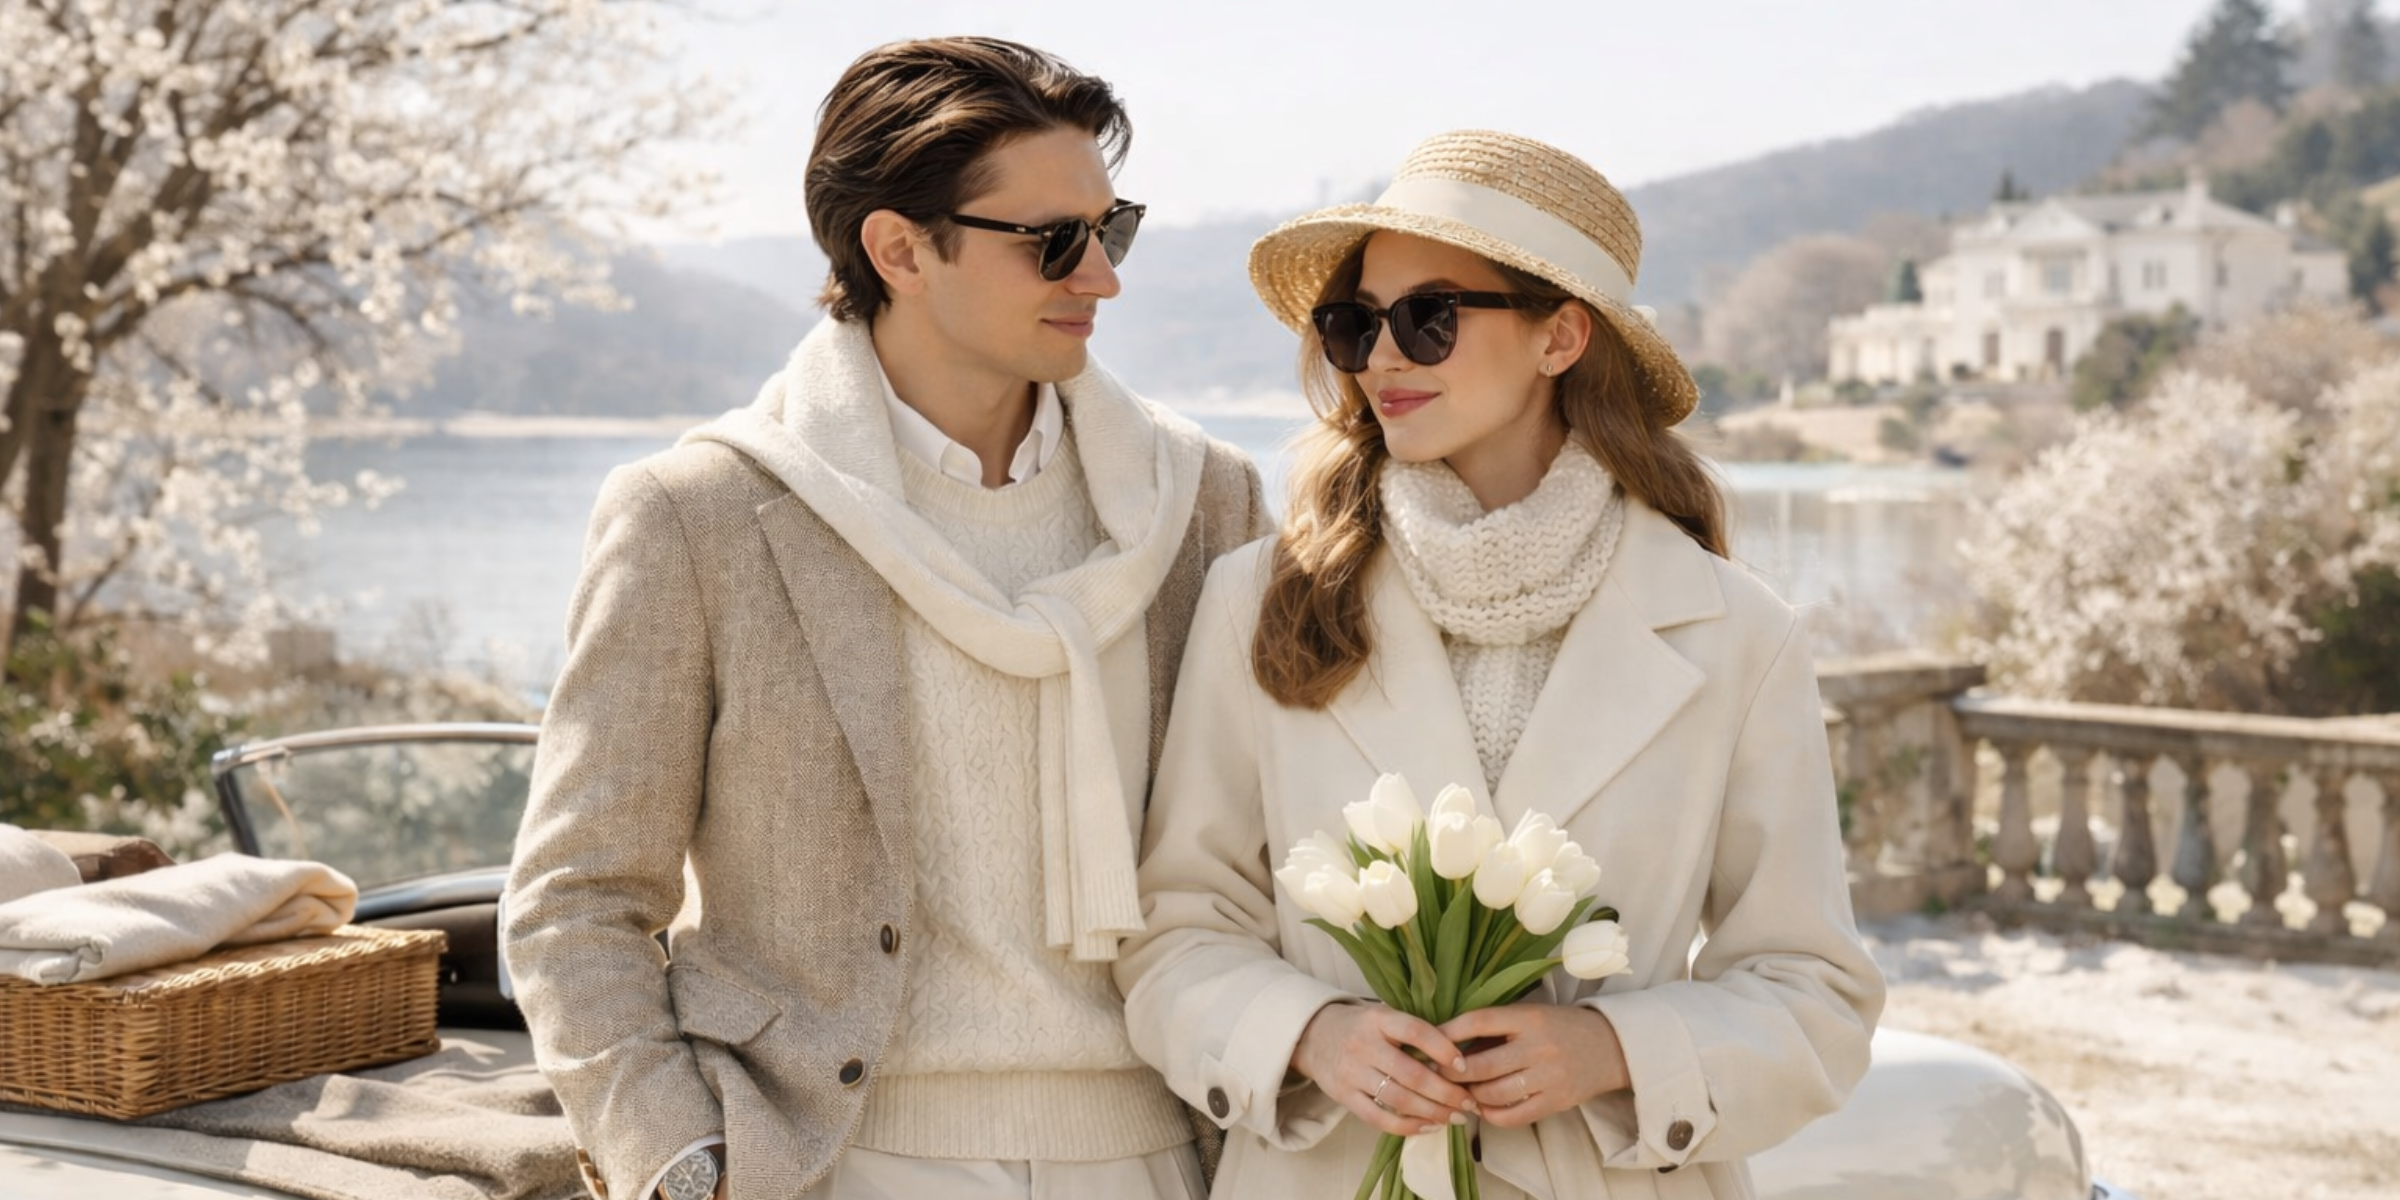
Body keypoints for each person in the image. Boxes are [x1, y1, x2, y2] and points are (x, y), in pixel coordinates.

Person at [502, 37, 1267, 1200]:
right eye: (1053, 242)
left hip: (1166, 1151)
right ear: (900, 247)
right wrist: (678, 1162)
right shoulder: (701, 514)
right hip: (834, 1157)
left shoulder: (1199, 501)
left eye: (1111, 231)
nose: (1100, 277)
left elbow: (1261, 850)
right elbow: (578, 899)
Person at [1114, 130, 1885, 1198]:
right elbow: (1174, 934)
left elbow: (1817, 994)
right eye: (1354, 323)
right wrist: (1314, 1033)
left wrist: (1613, 1052)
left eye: (1430, 318)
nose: (1382, 357)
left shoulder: (1737, 631)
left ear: (1560, 335)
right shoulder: (1264, 596)